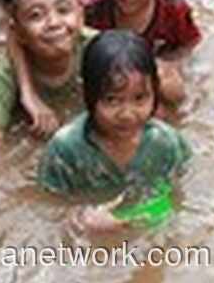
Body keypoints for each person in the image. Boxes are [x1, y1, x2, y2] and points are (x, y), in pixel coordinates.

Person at [37, 30, 192, 234]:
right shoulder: (65, 149)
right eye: (112, 100)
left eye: (139, 98)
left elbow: (181, 188)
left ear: (155, 92)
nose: (127, 114)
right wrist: (82, 219)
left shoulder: (166, 142)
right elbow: (45, 206)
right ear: (88, 94)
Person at [0, 0, 94, 152]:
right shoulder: (6, 72)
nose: (53, 23)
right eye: (36, 16)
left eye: (63, 10)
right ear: (19, 33)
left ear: (81, 16)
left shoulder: (96, 47)